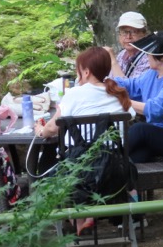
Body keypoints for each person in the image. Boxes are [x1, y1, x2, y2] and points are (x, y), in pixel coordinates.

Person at [33, 47, 135, 235]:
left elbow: (52, 128)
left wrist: (40, 131)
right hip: (116, 167)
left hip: (79, 169)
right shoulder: (118, 93)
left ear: (86, 71)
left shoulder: (74, 94)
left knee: (57, 174)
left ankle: (78, 226)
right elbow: (131, 115)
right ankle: (90, 221)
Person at [114, 31, 163, 163]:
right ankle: (110, 173)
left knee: (140, 129)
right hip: (157, 135)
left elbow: (156, 110)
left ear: (161, 57)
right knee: (134, 158)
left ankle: (106, 159)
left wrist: (124, 101)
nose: (146, 56)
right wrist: (106, 83)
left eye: (149, 53)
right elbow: (132, 86)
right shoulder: (152, 73)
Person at [107, 11, 151, 78]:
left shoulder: (149, 57)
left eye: (134, 32)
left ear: (144, 34)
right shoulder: (122, 54)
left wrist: (113, 61)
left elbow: (130, 87)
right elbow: (111, 81)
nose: (128, 37)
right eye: (124, 32)